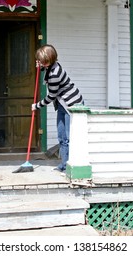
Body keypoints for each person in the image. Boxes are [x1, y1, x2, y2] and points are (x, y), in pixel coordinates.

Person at [32, 44, 84, 172]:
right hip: (61, 104)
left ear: (49, 59)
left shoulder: (55, 73)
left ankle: (74, 166)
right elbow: (47, 72)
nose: (40, 63)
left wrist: (37, 106)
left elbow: (51, 96)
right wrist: (41, 67)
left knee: (69, 136)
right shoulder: (51, 66)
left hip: (71, 105)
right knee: (61, 137)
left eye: (42, 61)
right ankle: (64, 165)